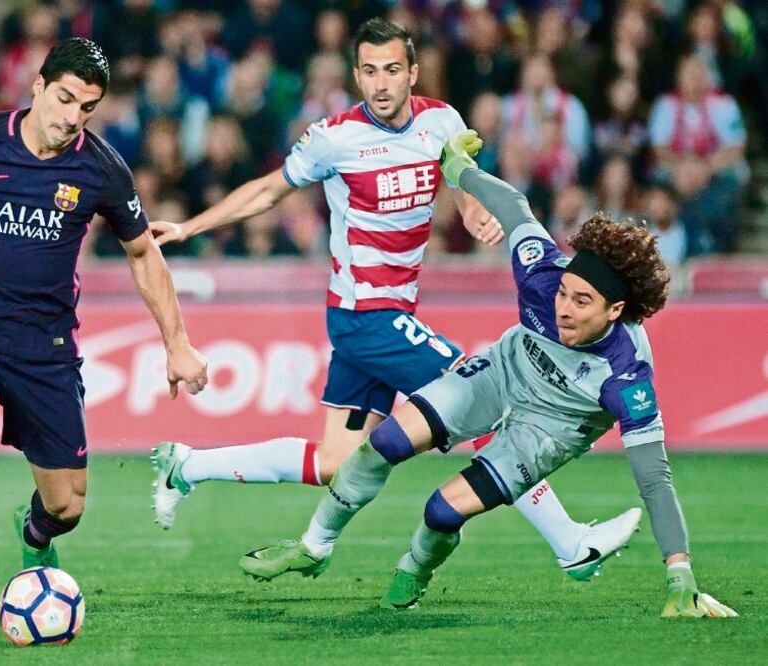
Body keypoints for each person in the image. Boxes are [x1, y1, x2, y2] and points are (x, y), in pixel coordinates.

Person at [150, 18, 640, 581]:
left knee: (335, 462)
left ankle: (186, 465)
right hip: (366, 315)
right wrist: (190, 228)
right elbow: (267, 189)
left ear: (411, 72)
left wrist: (471, 203)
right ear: (356, 76)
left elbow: (463, 177)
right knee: (486, 397)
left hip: (386, 317)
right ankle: (570, 543)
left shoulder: (441, 121)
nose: (380, 84)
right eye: (368, 72)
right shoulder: (334, 138)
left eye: (391, 70)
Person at [237, 129, 738, 620]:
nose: (563, 307)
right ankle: (314, 545)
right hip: (501, 372)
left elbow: (654, 476)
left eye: (582, 302)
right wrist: (459, 168)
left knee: (441, 511)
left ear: (616, 311)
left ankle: (415, 569)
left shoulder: (626, 375)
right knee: (383, 442)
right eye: (564, 293)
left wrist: (680, 576)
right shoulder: (543, 276)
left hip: (548, 430)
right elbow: (515, 207)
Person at [0, 38, 208, 641]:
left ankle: (32, 536)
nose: (70, 117)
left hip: (45, 350)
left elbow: (143, 253)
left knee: (67, 507)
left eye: (87, 107)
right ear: (37, 86)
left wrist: (177, 342)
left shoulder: (101, 167)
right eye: (63, 99)